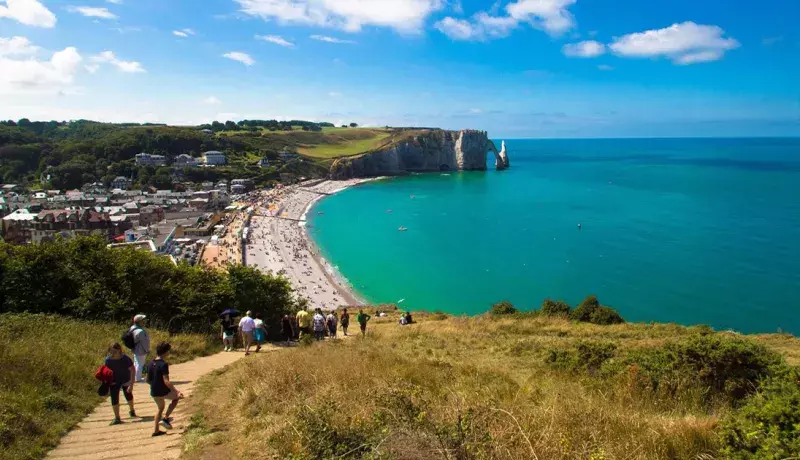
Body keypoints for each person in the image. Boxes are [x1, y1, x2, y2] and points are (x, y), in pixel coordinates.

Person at [147, 342, 184, 437]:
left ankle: (156, 431)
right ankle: (166, 419)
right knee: (176, 398)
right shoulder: (163, 364)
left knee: (160, 408)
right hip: (162, 390)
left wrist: (154, 385)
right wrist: (177, 391)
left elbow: (148, 380)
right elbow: (166, 381)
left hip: (154, 391)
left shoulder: (151, 363)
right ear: (165, 352)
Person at [105, 343, 136, 425]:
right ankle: (117, 417)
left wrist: (131, 385)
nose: (112, 354)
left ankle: (132, 410)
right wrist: (107, 383)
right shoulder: (108, 360)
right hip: (114, 381)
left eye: (114, 351)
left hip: (126, 380)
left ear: (119, 350)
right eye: (110, 352)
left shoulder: (125, 359)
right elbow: (107, 372)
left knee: (128, 395)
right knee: (114, 398)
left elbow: (133, 370)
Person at [129, 314, 150, 383]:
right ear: (139, 321)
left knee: (136, 363)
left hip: (135, 349)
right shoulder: (140, 331)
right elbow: (144, 342)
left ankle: (136, 377)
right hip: (141, 350)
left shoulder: (132, 328)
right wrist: (147, 350)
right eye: (142, 320)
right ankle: (138, 378)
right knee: (140, 364)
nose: (144, 321)